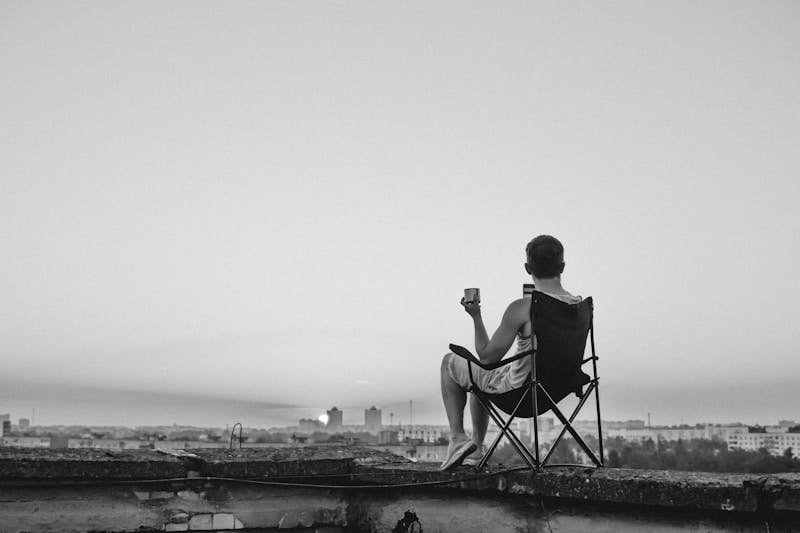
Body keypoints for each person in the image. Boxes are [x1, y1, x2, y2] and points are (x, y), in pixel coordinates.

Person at [439, 235, 583, 470]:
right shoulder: (578, 306)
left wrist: (476, 316)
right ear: (562, 267)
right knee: (481, 375)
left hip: (521, 394)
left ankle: (458, 439)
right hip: (556, 391)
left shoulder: (523, 308)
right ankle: (475, 448)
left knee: (451, 363)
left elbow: (486, 357)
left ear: (528, 268)